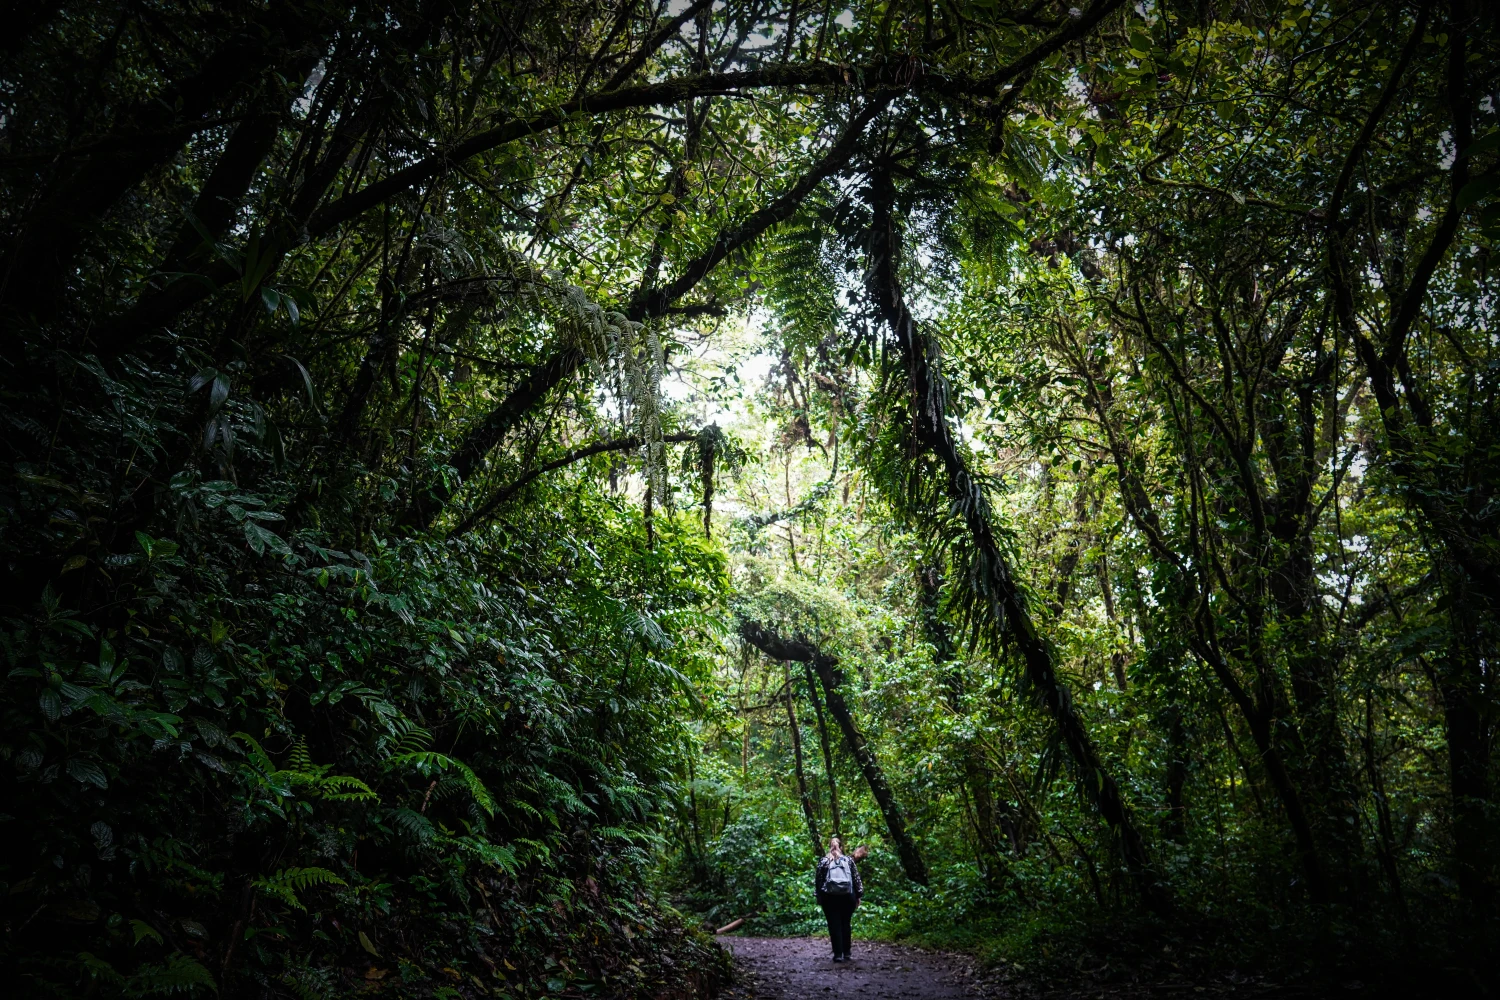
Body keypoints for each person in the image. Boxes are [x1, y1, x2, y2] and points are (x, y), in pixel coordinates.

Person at [814, 836, 863, 962]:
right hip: (848, 896)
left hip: (829, 898)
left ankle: (838, 954)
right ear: (841, 847)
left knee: (834, 924)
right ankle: (847, 952)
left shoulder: (824, 861)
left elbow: (819, 881)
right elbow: (856, 879)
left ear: (829, 847)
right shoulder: (848, 860)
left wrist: (819, 896)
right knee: (845, 923)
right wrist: (858, 895)